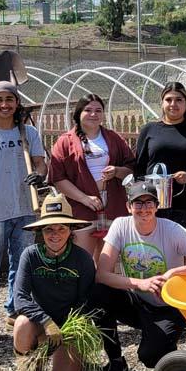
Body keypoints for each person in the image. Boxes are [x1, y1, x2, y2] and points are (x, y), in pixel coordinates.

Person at [92, 182, 186, 371]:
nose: (144, 209)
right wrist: (140, 283)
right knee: (98, 292)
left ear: (157, 205)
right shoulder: (120, 225)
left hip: (167, 306)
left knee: (151, 357)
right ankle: (116, 364)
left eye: (149, 202)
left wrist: (174, 272)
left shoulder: (171, 230)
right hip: (136, 300)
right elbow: (102, 274)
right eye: (138, 203)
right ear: (128, 206)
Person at [0, 81, 48, 346]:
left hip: (26, 209)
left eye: (9, 99)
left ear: (17, 103)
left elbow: (40, 162)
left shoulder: (28, 133)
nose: (4, 105)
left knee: (20, 265)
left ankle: (15, 309)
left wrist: (40, 174)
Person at [7, 193, 98, 371]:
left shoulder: (82, 259)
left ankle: (73, 358)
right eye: (49, 229)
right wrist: (47, 322)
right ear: (41, 231)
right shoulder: (30, 255)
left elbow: (86, 300)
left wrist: (64, 329)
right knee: (21, 323)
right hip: (39, 323)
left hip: (68, 325)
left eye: (61, 228)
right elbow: (20, 299)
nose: (55, 234)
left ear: (70, 230)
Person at [48, 93, 135, 262]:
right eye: (88, 110)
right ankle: (83, 289)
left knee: (109, 262)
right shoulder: (65, 142)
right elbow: (58, 178)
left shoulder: (114, 138)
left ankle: (105, 289)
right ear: (78, 113)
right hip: (81, 208)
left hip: (113, 206)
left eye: (98, 110)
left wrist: (117, 171)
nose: (93, 114)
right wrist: (84, 198)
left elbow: (131, 169)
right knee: (82, 261)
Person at [134, 81, 186, 234]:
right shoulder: (149, 130)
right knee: (154, 250)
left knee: (182, 251)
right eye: (169, 99)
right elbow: (138, 169)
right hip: (152, 204)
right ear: (162, 103)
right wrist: (141, 197)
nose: (173, 104)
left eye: (179, 99)